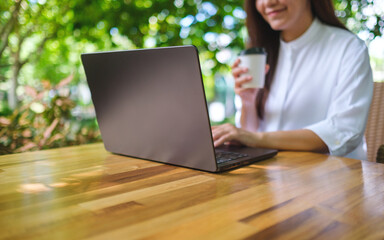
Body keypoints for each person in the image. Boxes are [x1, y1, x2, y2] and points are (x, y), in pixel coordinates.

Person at [211, 0, 373, 160]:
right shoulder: (260, 54)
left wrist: (257, 138)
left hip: (331, 178)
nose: (268, 2)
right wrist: (248, 102)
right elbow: (248, 134)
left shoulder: (349, 47)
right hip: (268, 176)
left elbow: (343, 132)